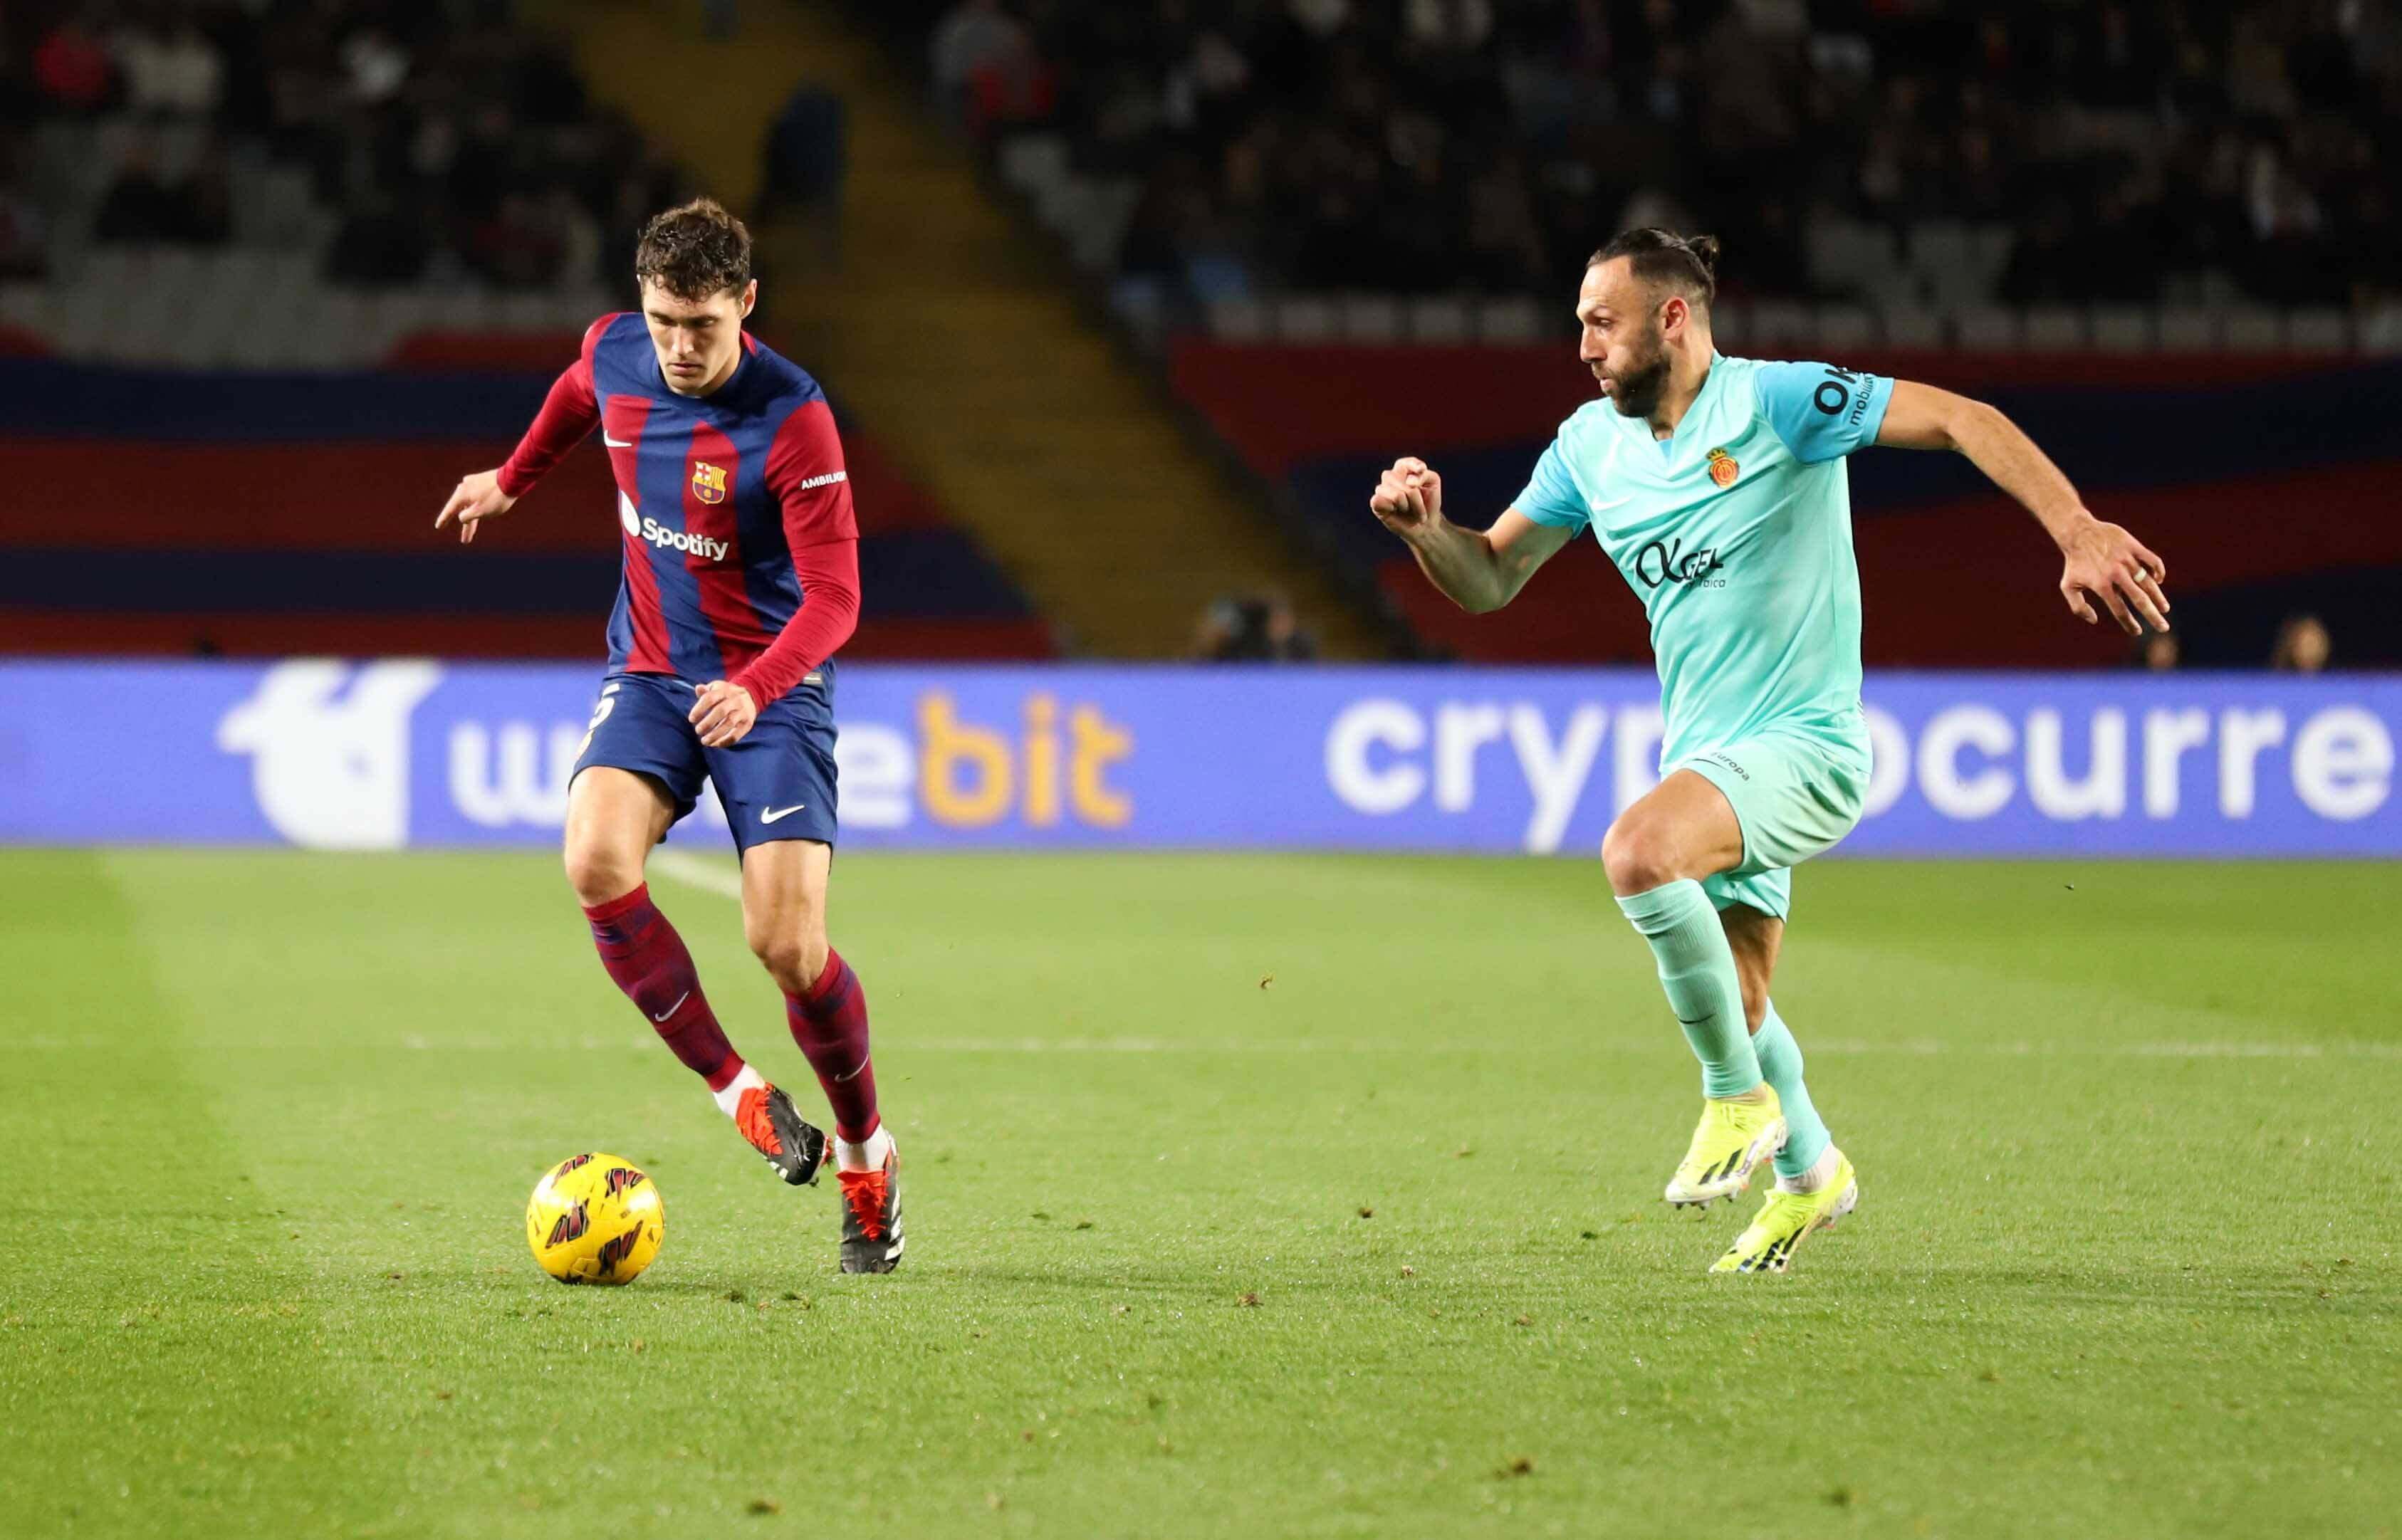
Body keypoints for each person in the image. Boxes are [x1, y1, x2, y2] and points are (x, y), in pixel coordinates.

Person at [1368, 229, 2170, 1275]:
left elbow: (1964, 419)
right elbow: (1487, 579)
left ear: (1672, 318)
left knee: (1637, 852)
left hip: (1806, 748)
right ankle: (1810, 1174)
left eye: (1599, 323)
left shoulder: (1781, 404)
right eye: (1576, 326)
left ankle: (1731, 1102)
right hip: (1712, 757)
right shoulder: (1586, 450)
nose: (1581, 348)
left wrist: (2073, 527)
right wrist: (1426, 530)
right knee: (1739, 1004)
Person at [434, 198, 903, 1274]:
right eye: (663, 323)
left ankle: (866, 1157)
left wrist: (760, 683)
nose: (681, 349)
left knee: (784, 945)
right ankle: (739, 1093)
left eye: (702, 325)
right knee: (593, 859)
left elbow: (836, 598)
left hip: (771, 686)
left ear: (745, 304)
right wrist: (510, 481)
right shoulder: (615, 352)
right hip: (648, 667)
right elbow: (571, 396)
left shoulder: (795, 419)